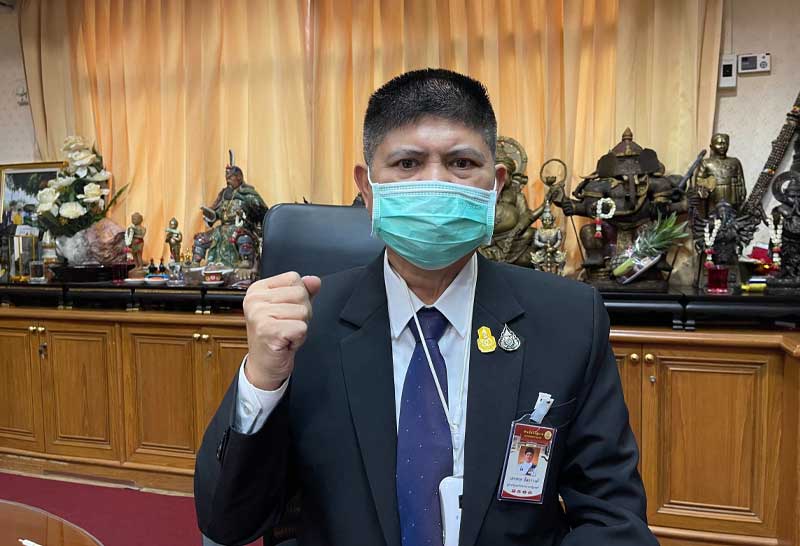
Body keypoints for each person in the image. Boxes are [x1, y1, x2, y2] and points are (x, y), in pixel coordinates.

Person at [195, 68, 657, 546]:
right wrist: (263, 379)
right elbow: (227, 522)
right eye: (408, 163)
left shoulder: (567, 321)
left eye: (461, 163)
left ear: (496, 186)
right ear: (367, 188)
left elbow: (614, 521)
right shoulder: (307, 327)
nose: (435, 183)